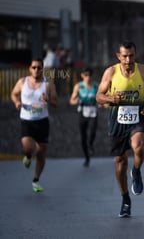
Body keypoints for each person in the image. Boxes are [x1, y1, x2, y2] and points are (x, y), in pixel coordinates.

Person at [95, 40, 144, 218]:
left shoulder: (143, 70)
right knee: (120, 162)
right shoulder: (111, 72)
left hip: (138, 115)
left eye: (131, 56)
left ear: (135, 55)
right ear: (118, 56)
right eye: (124, 56)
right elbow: (98, 96)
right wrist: (110, 99)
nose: (128, 60)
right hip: (117, 119)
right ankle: (125, 199)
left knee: (139, 146)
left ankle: (136, 171)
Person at [10, 58, 58, 192]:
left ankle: (36, 180)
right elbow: (14, 94)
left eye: (39, 67)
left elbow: (55, 103)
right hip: (27, 121)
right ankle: (28, 156)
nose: (36, 70)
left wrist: (47, 100)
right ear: (30, 69)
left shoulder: (48, 84)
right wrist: (16, 102)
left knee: (42, 153)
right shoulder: (22, 82)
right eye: (34, 67)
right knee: (27, 147)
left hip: (42, 121)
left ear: (42, 69)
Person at [69, 67, 99, 167]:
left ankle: (90, 144)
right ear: (82, 75)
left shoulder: (95, 85)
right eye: (86, 75)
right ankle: (87, 158)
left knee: (93, 131)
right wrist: (76, 101)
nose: (88, 77)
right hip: (83, 113)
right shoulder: (78, 86)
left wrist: (101, 103)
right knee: (83, 136)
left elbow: (101, 98)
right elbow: (71, 100)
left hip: (93, 112)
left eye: (90, 75)